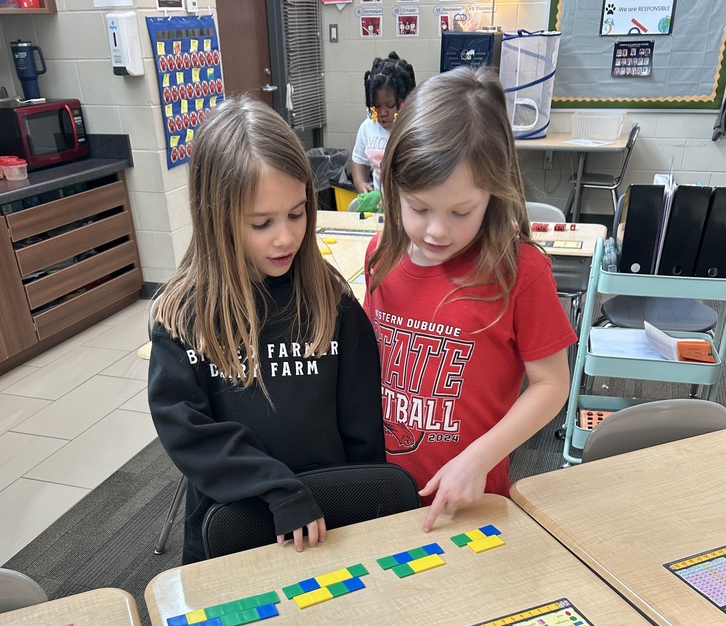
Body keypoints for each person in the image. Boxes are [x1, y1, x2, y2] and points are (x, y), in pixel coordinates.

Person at [148, 97, 385, 564]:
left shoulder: (332, 302)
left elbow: (363, 431)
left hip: (327, 521)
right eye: (262, 223)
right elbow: (187, 431)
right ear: (215, 218)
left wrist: (367, 509)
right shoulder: (184, 316)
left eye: (297, 214)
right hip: (232, 524)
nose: (286, 237)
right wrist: (276, 488)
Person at [363, 66, 575, 532]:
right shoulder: (381, 253)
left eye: (461, 212)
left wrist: (478, 458)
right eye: (419, 208)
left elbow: (552, 384)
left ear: (493, 195)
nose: (437, 230)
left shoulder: (520, 272)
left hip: (468, 499)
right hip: (381, 490)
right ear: (393, 188)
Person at [351, 52, 416, 194]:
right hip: (380, 202)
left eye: (390, 105)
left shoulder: (413, 129)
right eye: (377, 106)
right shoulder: (367, 127)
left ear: (404, 100)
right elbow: (359, 161)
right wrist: (361, 184)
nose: (383, 113)